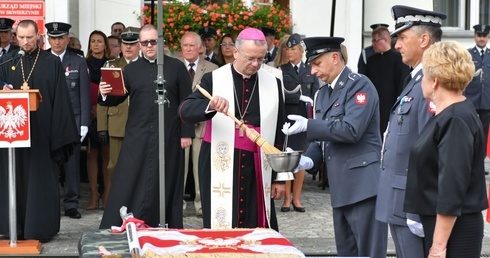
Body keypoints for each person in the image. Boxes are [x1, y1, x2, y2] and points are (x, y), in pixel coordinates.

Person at [284, 36, 387, 257]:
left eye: (316, 64)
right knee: (347, 253)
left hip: (363, 186)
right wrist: (309, 159)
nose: (312, 71)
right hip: (341, 187)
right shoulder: (323, 93)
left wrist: (308, 125)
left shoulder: (359, 84)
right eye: (311, 65)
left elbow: (351, 130)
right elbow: (323, 139)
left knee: (368, 252)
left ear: (334, 58)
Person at [179, 28, 286, 231]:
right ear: (235, 52)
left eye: (260, 59)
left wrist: (279, 178)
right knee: (221, 224)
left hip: (259, 162)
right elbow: (185, 111)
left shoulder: (274, 83)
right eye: (250, 58)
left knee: (257, 223)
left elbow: (280, 133)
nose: (255, 64)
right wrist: (210, 106)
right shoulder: (214, 78)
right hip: (218, 159)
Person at [99, 24, 193, 229]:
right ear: (139, 44)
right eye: (145, 42)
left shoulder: (176, 67)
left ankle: (166, 223)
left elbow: (187, 102)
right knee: (130, 177)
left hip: (169, 134)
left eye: (153, 41)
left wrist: (186, 133)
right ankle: (131, 221)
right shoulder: (130, 69)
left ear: (161, 43)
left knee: (166, 178)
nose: (149, 46)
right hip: (138, 134)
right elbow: (115, 99)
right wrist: (104, 91)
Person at [404, 40, 488, 258]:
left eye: (424, 75)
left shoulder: (455, 119)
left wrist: (439, 246)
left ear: (435, 81)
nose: (421, 80)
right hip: (445, 225)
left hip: (454, 231)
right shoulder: (449, 113)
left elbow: (451, 187)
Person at [375, 5, 446, 258]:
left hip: (412, 201)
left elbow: (432, 150)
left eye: (403, 37)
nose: (396, 45)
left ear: (424, 40)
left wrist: (419, 209)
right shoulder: (416, 79)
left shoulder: (432, 83)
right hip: (400, 197)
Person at [0, 19, 79, 242]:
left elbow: (62, 102)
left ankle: (40, 228)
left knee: (40, 181)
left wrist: (58, 137)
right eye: (21, 37)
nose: (25, 42)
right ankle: (13, 227)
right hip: (14, 134)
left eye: (29, 37)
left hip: (43, 133)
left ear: (38, 37)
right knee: (15, 180)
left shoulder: (51, 63)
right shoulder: (7, 61)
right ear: (16, 36)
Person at [45, 21, 91, 219]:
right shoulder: (42, 60)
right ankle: (49, 202)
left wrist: (84, 124)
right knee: (48, 165)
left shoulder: (78, 61)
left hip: (72, 121)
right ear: (48, 39)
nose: (56, 42)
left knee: (71, 165)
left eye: (60, 38)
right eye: (53, 38)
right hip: (47, 121)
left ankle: (71, 203)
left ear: (67, 39)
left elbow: (84, 95)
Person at [96, 26, 140, 205]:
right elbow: (103, 97)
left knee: (138, 165)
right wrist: (102, 127)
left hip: (140, 124)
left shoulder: (145, 66)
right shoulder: (111, 66)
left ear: (139, 45)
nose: (128, 47)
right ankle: (118, 201)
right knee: (114, 166)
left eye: (132, 43)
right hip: (117, 123)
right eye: (125, 44)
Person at [179, 31, 219, 218]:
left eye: (191, 45)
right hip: (180, 127)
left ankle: (201, 206)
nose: (188, 49)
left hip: (203, 127)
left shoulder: (211, 68)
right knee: (179, 169)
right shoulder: (174, 66)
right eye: (185, 45)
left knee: (200, 170)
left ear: (200, 48)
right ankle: (177, 206)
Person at [279, 33, 319, 213]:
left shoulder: (309, 69)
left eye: (293, 49)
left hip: (305, 118)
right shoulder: (281, 70)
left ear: (301, 51)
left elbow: (317, 93)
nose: (289, 52)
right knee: (288, 157)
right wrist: (297, 97)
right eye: (287, 49)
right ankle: (286, 198)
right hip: (288, 116)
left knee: (300, 158)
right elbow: (279, 93)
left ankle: (297, 197)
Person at [364, 24, 410, 135]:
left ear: (384, 40)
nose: (372, 44)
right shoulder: (371, 60)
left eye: (375, 40)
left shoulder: (398, 58)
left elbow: (402, 82)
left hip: (391, 104)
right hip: (375, 105)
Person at [85, 30, 111, 209]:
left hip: (106, 113)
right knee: (91, 153)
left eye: (99, 41)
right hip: (88, 114)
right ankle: (94, 194)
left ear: (105, 45)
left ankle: (107, 195)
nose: (96, 44)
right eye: (93, 41)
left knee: (107, 153)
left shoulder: (111, 64)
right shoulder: (83, 62)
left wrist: (100, 109)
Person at [465, 24, 490, 160]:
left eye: (484, 36)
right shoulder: (468, 54)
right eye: (479, 36)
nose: (481, 39)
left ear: (488, 37)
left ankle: (481, 158)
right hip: (471, 98)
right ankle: (471, 156)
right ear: (475, 36)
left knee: (485, 131)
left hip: (487, 100)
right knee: (471, 129)